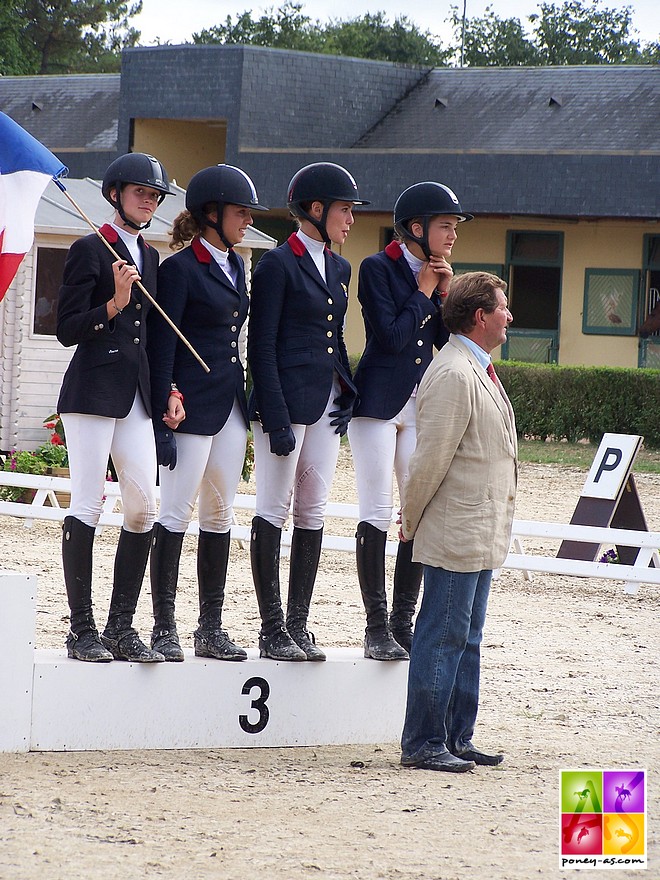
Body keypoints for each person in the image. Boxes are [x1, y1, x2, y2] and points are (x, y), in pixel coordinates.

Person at [57, 152, 177, 663]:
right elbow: (67, 329)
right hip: (92, 391)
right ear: (115, 195)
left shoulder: (149, 257)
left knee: (143, 506)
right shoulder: (89, 248)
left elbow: (147, 339)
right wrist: (113, 304)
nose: (148, 201)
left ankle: (120, 627)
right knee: (88, 502)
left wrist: (168, 390)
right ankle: (80, 630)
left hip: (137, 395)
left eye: (154, 195)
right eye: (140, 193)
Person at [147, 164, 268, 662]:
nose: (247, 220)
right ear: (211, 214)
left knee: (220, 515)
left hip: (231, 404)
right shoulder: (178, 270)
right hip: (190, 405)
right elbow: (163, 342)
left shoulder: (238, 264)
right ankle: (163, 626)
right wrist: (168, 394)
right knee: (176, 512)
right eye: (240, 212)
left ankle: (210, 627)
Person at [247, 162, 367, 661]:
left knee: (313, 512)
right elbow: (262, 346)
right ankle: (271, 627)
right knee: (273, 509)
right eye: (344, 210)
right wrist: (275, 418)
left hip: (325, 403)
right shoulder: (277, 264)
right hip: (285, 404)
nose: (350, 220)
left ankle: (298, 622)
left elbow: (332, 337)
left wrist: (348, 385)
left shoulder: (340, 268)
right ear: (315, 210)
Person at [349, 182, 473, 661]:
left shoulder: (438, 274)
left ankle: (403, 620)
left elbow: (446, 340)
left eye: (455, 227)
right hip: (378, 405)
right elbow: (394, 336)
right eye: (446, 226)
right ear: (416, 228)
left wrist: (446, 296)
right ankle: (375, 625)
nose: (452, 235)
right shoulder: (377, 269)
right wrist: (424, 292)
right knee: (378, 510)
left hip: (419, 407)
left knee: (415, 511)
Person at [399, 271, 517, 772]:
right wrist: (410, 519)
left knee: (467, 636)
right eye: (503, 307)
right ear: (480, 317)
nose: (510, 315)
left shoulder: (478, 368)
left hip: (480, 528)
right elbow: (428, 461)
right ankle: (424, 740)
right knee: (443, 633)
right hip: (454, 527)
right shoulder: (453, 373)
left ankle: (456, 735)